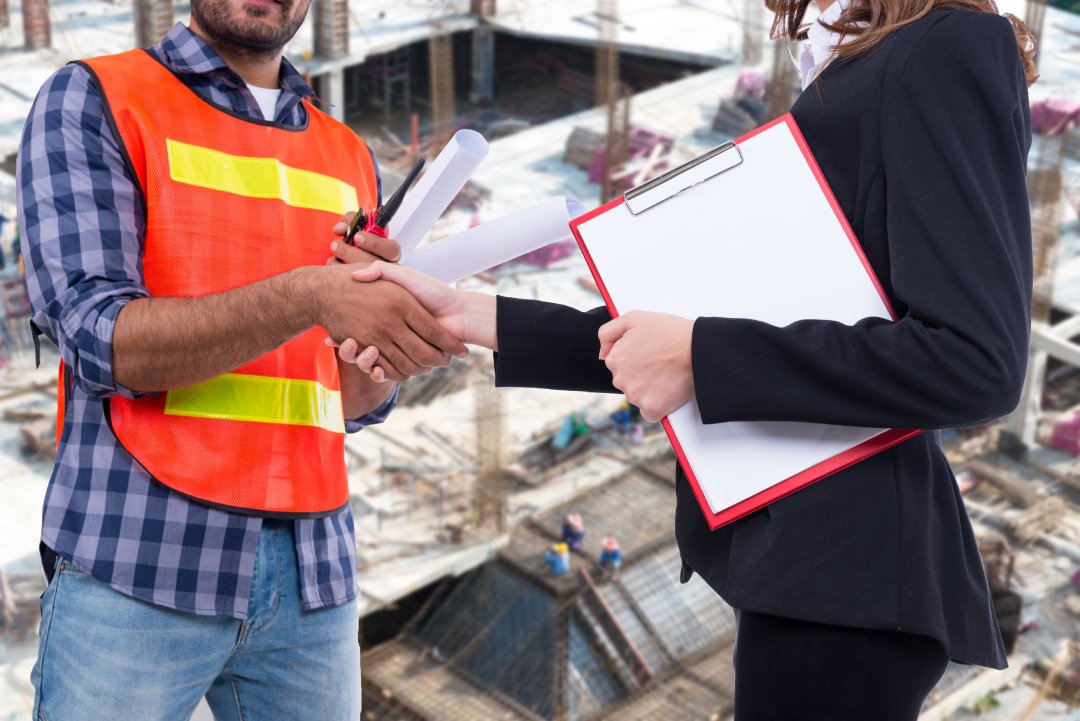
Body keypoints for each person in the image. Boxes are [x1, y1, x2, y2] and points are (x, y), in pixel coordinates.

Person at [334, 0, 1037, 717]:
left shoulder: (945, 45)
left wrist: (701, 353)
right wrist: (468, 313)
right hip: (803, 563)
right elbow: (711, 332)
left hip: (849, 571)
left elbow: (975, 359)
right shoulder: (856, 59)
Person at [16, 0, 468, 717]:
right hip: (142, 553)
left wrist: (392, 345)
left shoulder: (346, 151)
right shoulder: (99, 97)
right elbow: (98, 338)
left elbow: (345, 397)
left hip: (312, 570)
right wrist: (311, 295)